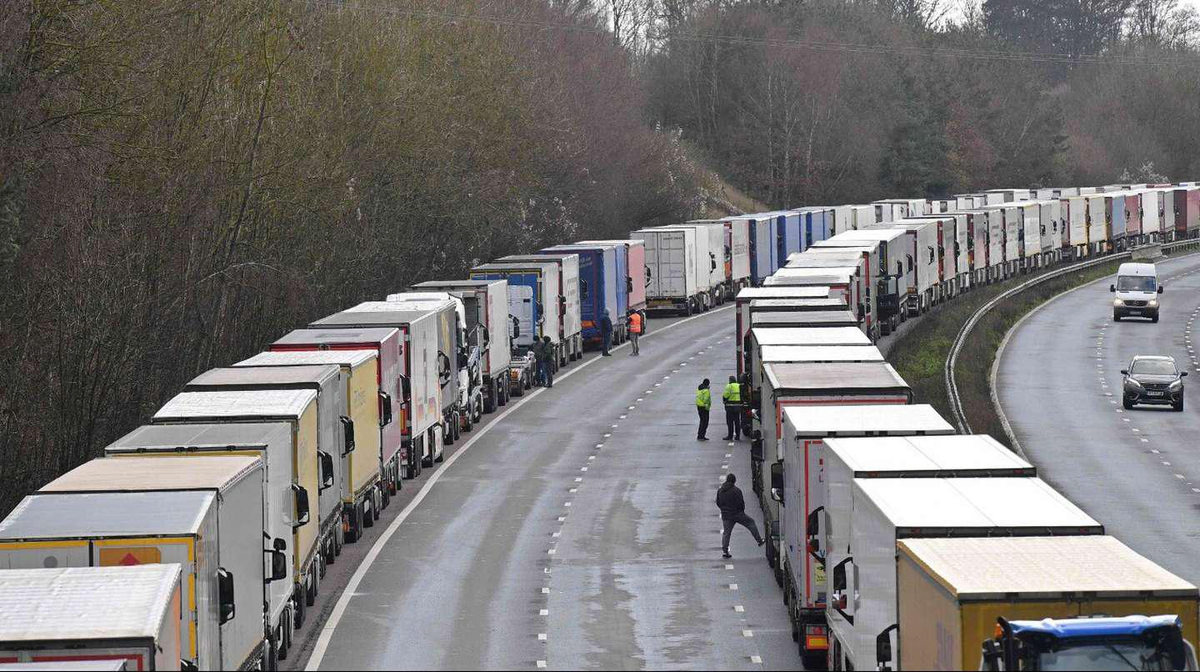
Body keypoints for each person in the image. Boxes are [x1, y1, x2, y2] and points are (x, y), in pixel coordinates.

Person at [716, 473, 763, 559]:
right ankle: (759, 540)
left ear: (727, 480)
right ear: (734, 481)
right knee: (750, 523)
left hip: (726, 515)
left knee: (726, 533)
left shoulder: (720, 490)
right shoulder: (736, 490)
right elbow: (741, 503)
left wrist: (723, 510)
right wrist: (741, 512)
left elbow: (718, 502)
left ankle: (725, 551)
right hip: (737, 514)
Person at [722, 375, 742, 441]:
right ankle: (738, 436)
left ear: (730, 380)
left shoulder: (729, 386)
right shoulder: (739, 385)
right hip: (738, 407)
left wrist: (724, 400)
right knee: (737, 422)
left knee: (730, 422)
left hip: (730, 407)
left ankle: (730, 436)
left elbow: (725, 395)